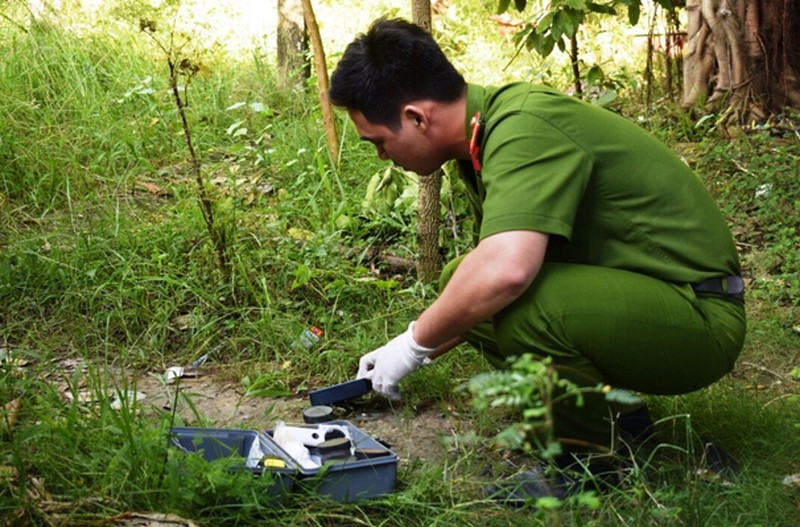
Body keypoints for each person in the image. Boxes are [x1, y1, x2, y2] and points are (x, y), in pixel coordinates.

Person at [329, 16, 746, 492]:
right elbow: (482, 282)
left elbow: (508, 272)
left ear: (417, 118)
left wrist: (413, 345)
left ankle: (590, 467)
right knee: (460, 281)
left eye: (379, 142)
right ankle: (619, 428)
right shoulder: (482, 140)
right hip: (649, 300)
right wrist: (405, 348)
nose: (382, 156)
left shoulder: (523, 128)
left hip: (700, 317)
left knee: (526, 306)